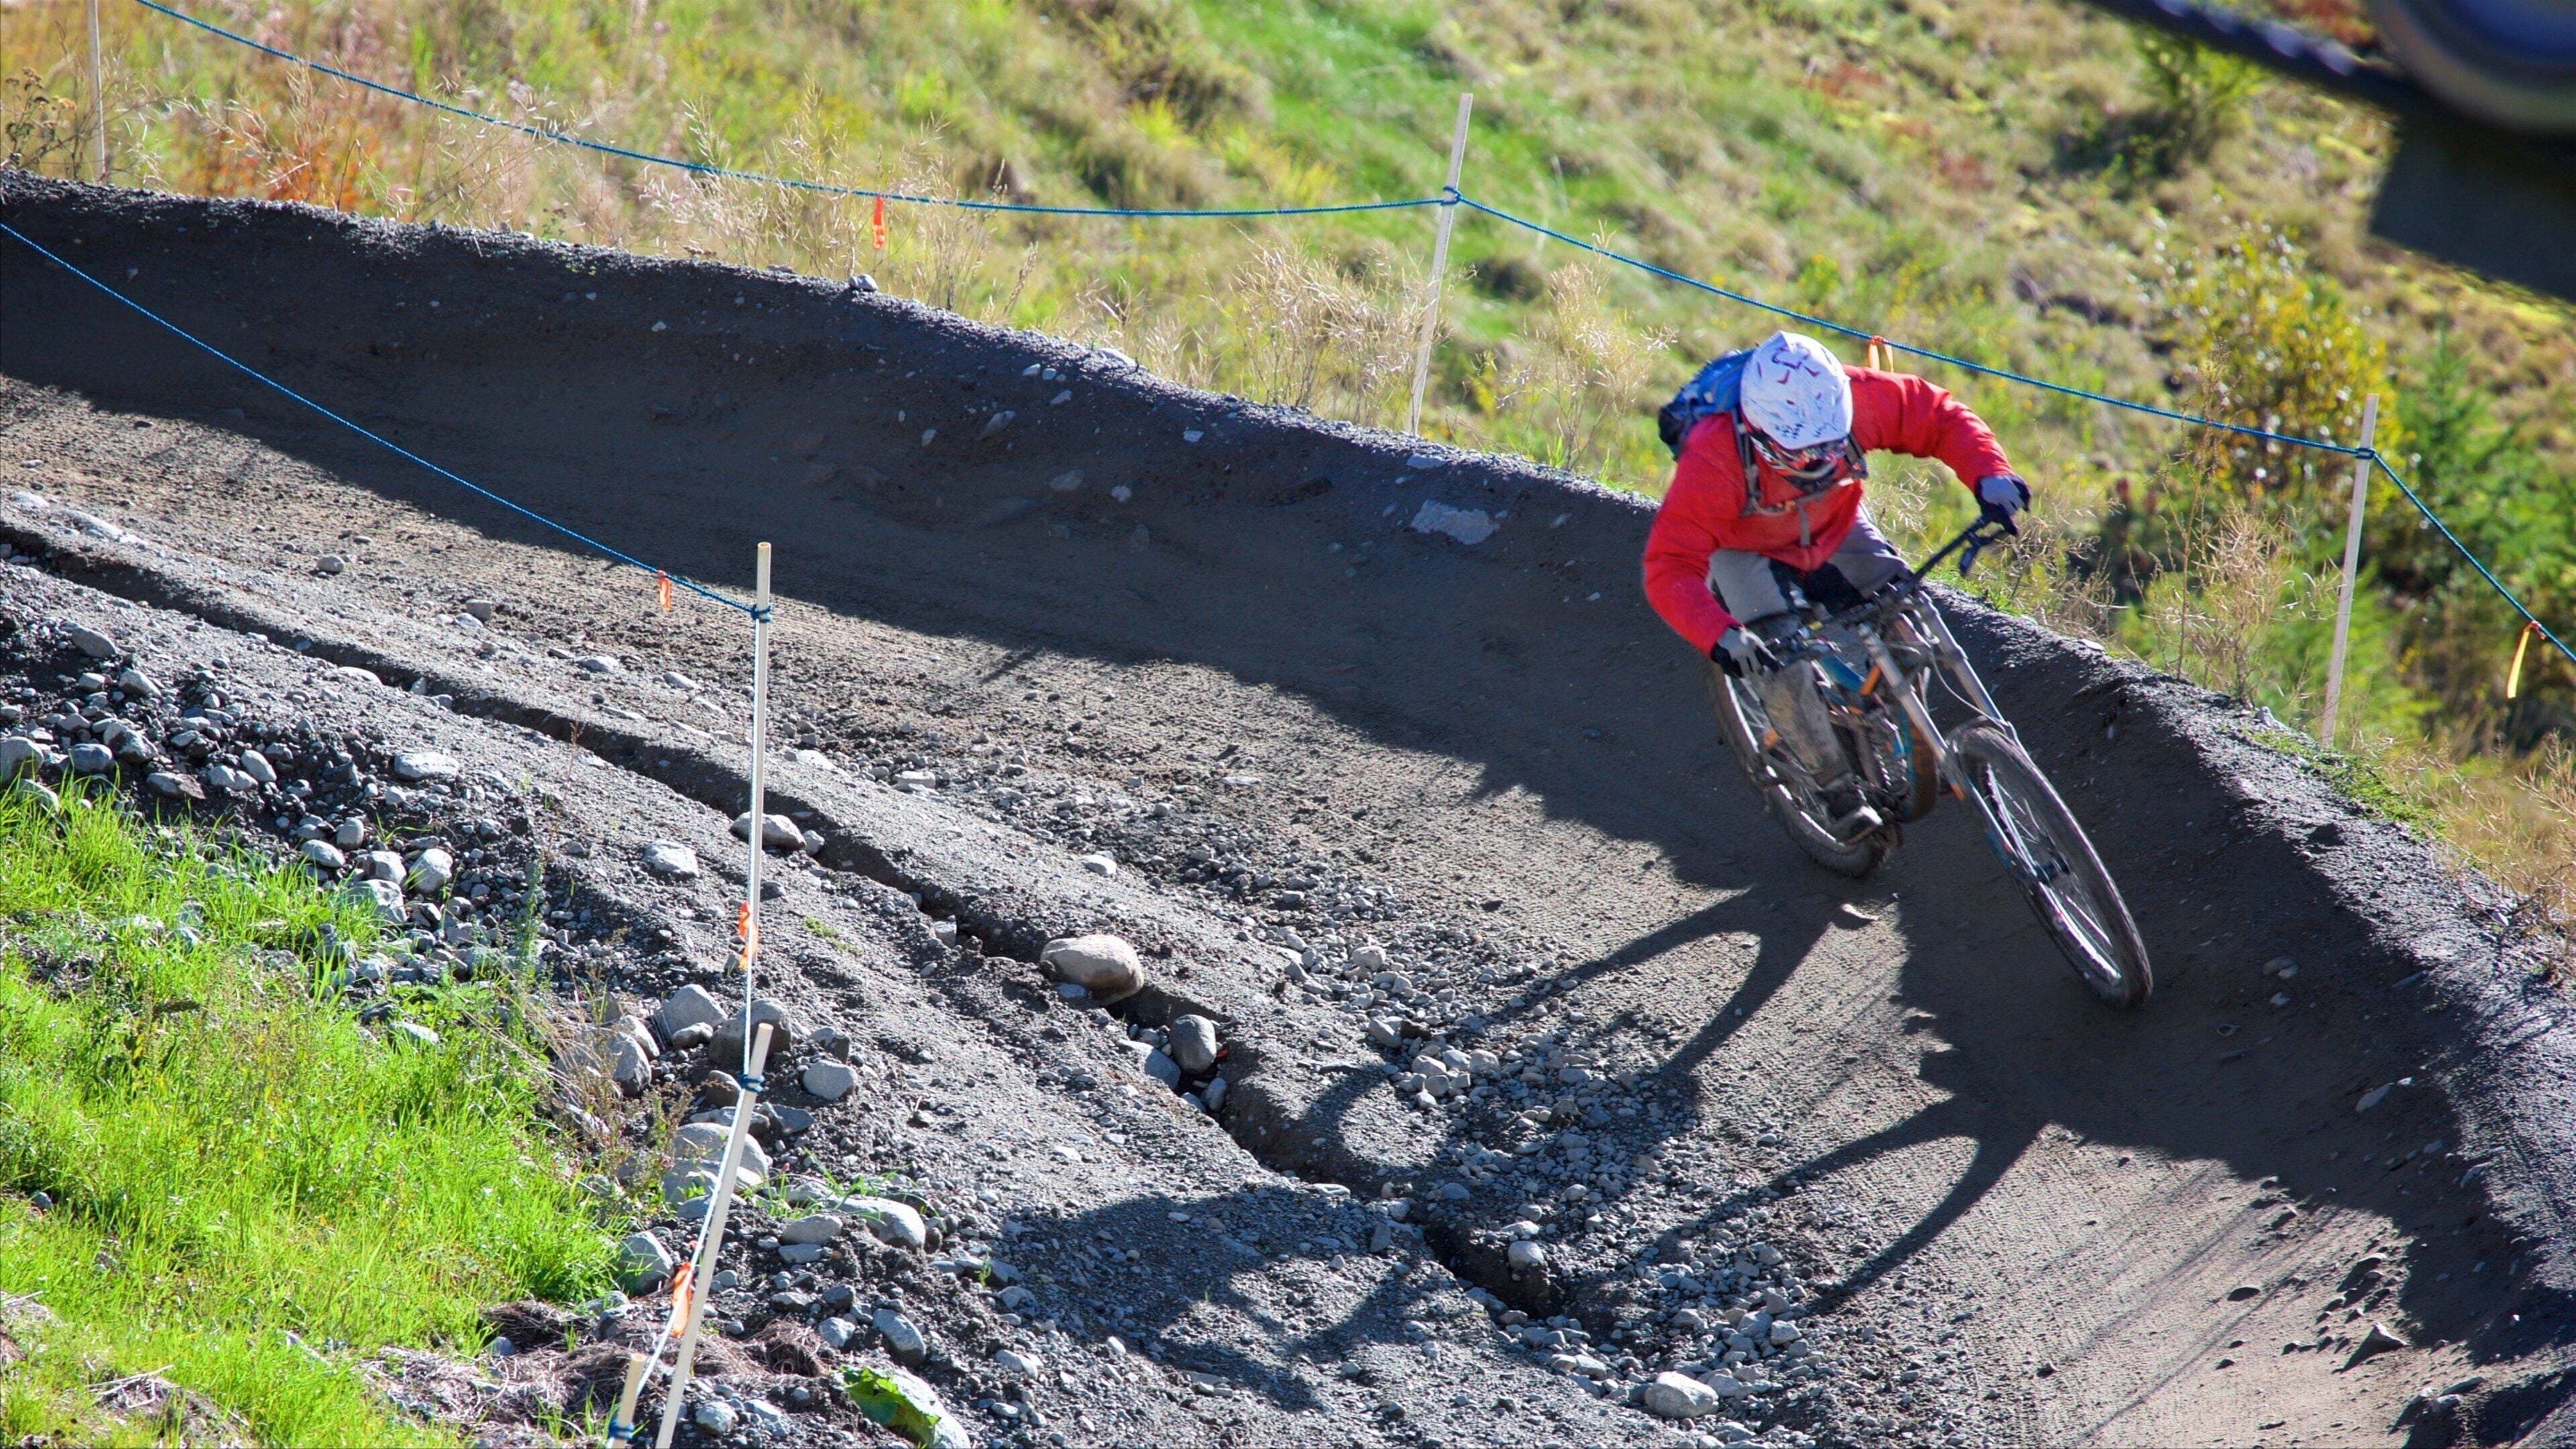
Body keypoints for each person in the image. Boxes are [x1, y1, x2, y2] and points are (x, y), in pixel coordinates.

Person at [1642, 330, 2029, 835]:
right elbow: (1670, 566)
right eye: (1803, 455)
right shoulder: (1714, 456)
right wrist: (1721, 634)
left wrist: (1990, 473)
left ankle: (1897, 718)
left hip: (1834, 525)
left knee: (1909, 614)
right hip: (1744, 547)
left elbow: (1936, 415)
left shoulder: (1856, 395)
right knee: (1778, 661)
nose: (1822, 463)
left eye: (1831, 448)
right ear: (1760, 435)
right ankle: (1835, 789)